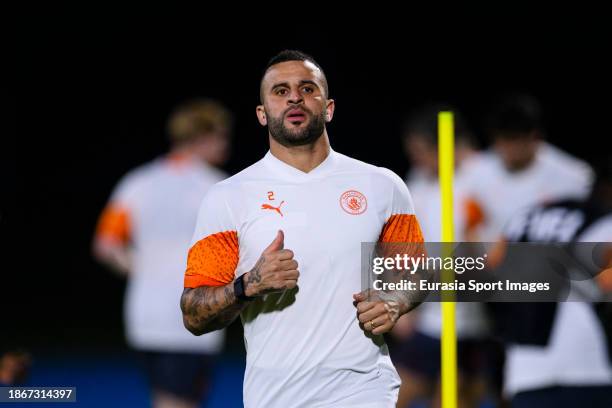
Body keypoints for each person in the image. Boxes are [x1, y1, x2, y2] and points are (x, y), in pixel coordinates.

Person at [180, 50, 424, 408]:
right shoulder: (228, 197)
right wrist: (248, 285)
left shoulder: (381, 185)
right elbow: (193, 314)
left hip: (365, 389)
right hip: (275, 396)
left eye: (307, 88)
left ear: (329, 108)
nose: (294, 96)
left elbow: (415, 272)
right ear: (262, 114)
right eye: (280, 91)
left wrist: (394, 301)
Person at [93, 99, 232, 408]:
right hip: (192, 316)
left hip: (144, 315)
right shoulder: (217, 187)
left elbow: (105, 245)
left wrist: (145, 271)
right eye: (221, 136)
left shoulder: (137, 182)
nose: (225, 144)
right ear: (202, 137)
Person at [491, 157, 612, 408]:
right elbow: (607, 281)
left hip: (526, 369)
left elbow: (490, 271)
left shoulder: (522, 217)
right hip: (587, 365)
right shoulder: (600, 220)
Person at [393, 105, 489, 408]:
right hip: (430, 319)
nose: (416, 158)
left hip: (476, 324)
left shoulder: (482, 176)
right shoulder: (419, 180)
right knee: (393, 395)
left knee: (454, 399)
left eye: (421, 151)